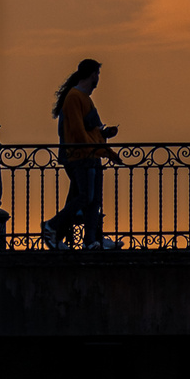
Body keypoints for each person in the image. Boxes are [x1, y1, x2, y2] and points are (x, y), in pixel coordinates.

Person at [42, 59, 123, 251]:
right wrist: (105, 151)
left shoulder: (84, 99)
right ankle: (52, 226)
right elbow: (78, 132)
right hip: (81, 157)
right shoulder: (74, 98)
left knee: (93, 199)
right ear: (93, 74)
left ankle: (92, 240)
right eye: (98, 75)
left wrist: (103, 136)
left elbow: (90, 130)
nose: (98, 80)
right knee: (85, 197)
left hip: (91, 155)